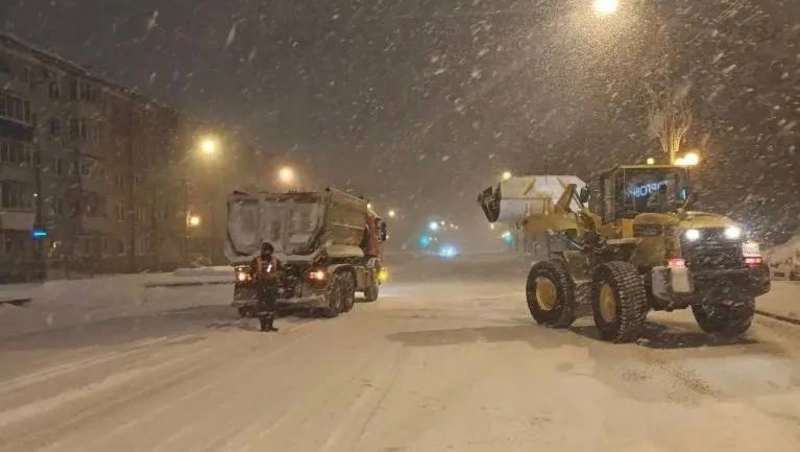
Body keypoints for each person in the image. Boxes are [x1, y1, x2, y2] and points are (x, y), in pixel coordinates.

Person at [250, 242, 281, 332]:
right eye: (265, 250)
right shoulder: (257, 260)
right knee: (262, 306)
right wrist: (255, 279)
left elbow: (280, 271)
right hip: (261, 285)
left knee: (271, 306)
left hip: (272, 285)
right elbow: (251, 271)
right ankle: (263, 326)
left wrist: (277, 280)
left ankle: (270, 325)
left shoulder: (275, 260)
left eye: (269, 250)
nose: (267, 252)